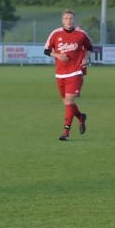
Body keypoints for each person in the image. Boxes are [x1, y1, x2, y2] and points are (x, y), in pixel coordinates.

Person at [44, 9, 93, 141]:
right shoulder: (56, 34)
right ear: (62, 20)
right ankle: (81, 117)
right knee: (67, 102)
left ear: (74, 20)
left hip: (76, 72)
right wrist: (58, 55)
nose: (68, 21)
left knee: (69, 101)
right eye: (66, 18)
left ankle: (66, 132)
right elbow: (46, 50)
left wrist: (85, 59)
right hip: (60, 74)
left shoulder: (81, 34)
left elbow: (90, 47)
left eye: (71, 18)